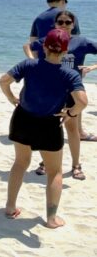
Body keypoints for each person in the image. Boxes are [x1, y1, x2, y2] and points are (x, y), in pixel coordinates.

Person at [0, 28, 87, 229]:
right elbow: (82, 102)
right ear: (65, 52)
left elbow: (4, 80)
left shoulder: (29, 64)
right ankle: (51, 218)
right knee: (55, 172)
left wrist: (11, 98)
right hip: (49, 124)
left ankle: (10, 207)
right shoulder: (69, 73)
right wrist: (70, 113)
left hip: (23, 119)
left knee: (20, 163)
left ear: (45, 47)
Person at [24, 10, 97, 180]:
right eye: (60, 22)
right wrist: (33, 61)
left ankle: (76, 166)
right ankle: (45, 162)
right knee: (49, 128)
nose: (64, 25)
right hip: (51, 92)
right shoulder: (50, 39)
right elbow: (28, 46)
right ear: (55, 24)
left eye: (67, 22)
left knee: (72, 129)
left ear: (73, 25)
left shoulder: (82, 42)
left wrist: (91, 67)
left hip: (72, 91)